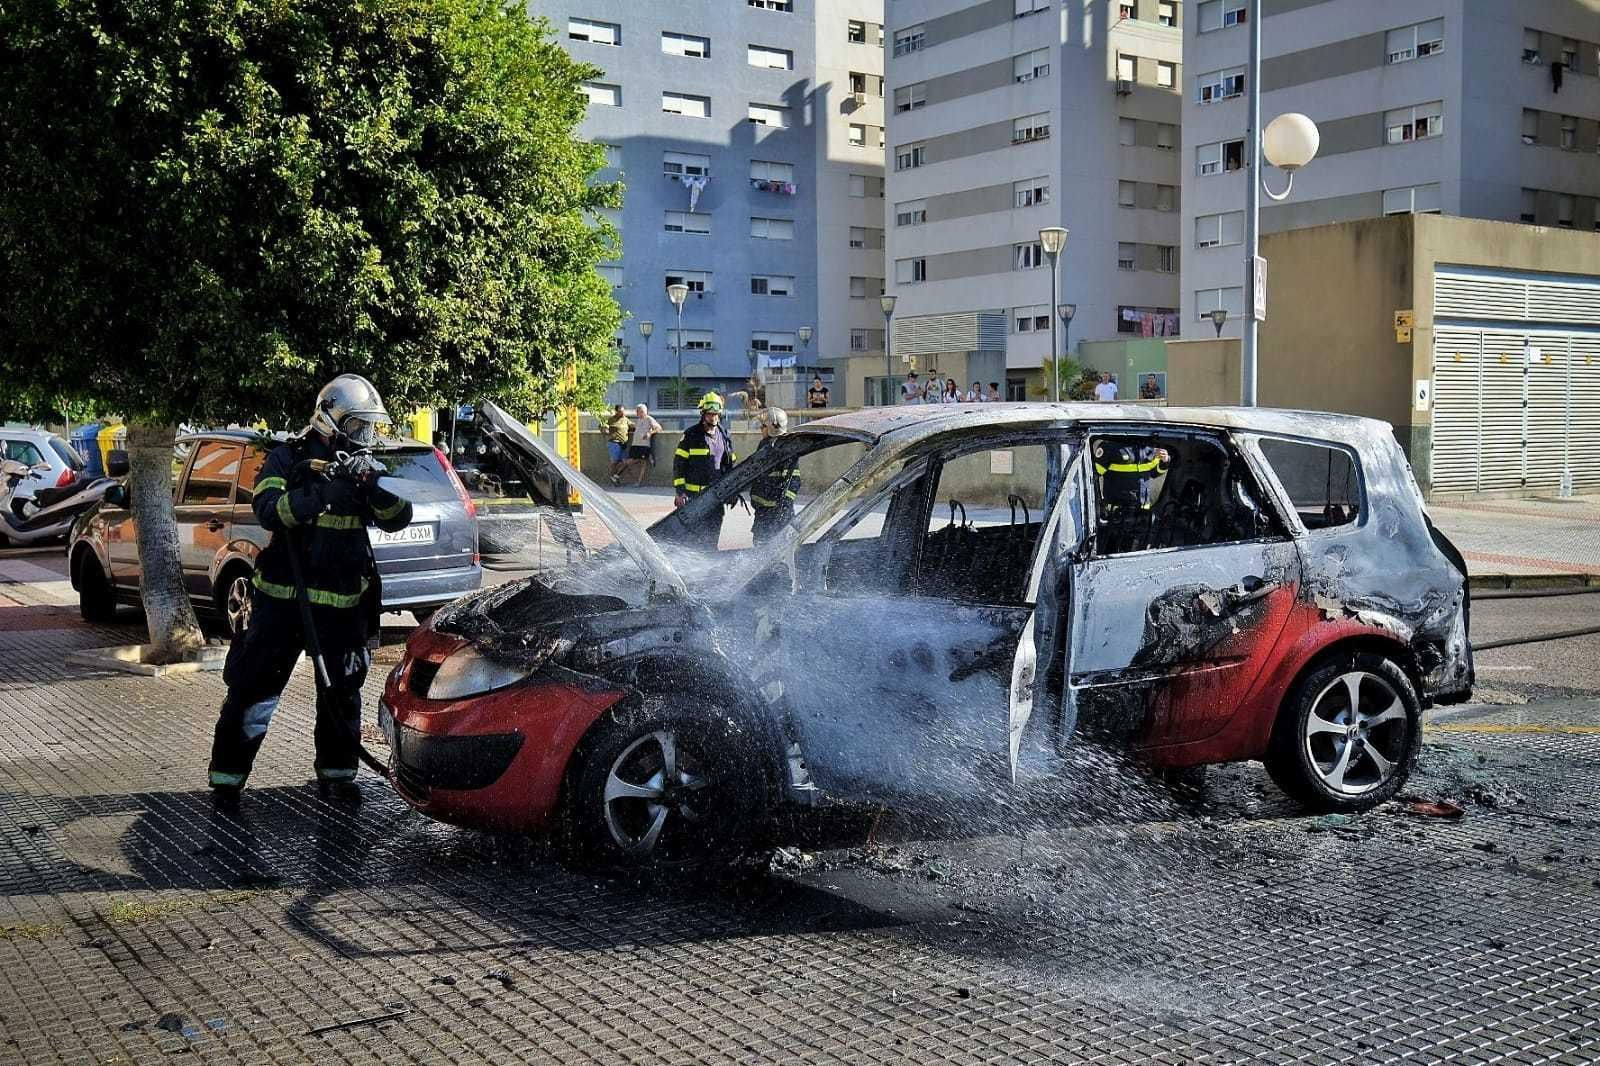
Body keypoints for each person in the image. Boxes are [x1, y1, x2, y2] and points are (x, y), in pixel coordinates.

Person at [207, 374, 415, 812]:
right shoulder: (287, 459)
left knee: (342, 697)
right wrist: (321, 495)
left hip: (341, 609)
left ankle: (338, 781)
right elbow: (268, 511)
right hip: (283, 603)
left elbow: (398, 517)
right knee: (254, 690)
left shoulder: (360, 468)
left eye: (368, 428)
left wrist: (372, 489)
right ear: (330, 420)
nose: (365, 437)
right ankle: (227, 783)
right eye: (357, 426)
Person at [673, 392, 737, 549]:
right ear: (703, 414)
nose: (713, 418)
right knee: (693, 542)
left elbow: (729, 465)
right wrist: (680, 492)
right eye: (710, 414)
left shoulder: (724, 435)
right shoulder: (691, 435)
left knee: (712, 539)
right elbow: (678, 464)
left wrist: (732, 490)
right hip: (694, 499)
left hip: (715, 499)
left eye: (716, 414)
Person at [749, 407, 801, 545]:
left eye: (763, 426)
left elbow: (794, 481)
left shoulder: (787, 449)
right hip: (763, 514)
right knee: (760, 548)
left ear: (771, 428)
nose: (761, 429)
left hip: (779, 515)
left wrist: (784, 506)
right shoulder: (764, 446)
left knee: (780, 549)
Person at [624, 403, 661, 485]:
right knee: (630, 461)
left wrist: (650, 433)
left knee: (642, 462)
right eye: (637, 412)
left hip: (644, 445)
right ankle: (622, 476)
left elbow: (659, 428)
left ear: (644, 411)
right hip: (635, 444)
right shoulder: (638, 420)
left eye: (640, 412)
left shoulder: (649, 419)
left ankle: (638, 481)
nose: (638, 413)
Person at [604, 404, 631, 485]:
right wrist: (605, 431)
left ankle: (615, 476)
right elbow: (603, 426)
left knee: (625, 462)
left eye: (623, 411)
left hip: (624, 443)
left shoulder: (625, 419)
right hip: (614, 443)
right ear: (616, 411)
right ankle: (612, 477)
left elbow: (632, 425)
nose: (622, 413)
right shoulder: (611, 419)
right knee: (614, 461)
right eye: (620, 412)